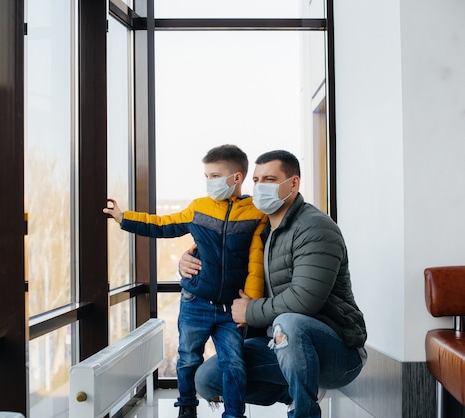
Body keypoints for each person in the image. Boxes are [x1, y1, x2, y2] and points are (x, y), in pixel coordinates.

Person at [179, 150, 367, 418]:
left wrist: (250, 311)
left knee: (289, 323)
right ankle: (293, 392)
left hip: (336, 350)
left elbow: (305, 300)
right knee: (207, 379)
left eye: (269, 179)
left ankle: (304, 411)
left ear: (293, 183)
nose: (259, 187)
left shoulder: (315, 228)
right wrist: (187, 264)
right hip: (276, 343)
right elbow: (220, 264)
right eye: (256, 180)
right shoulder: (257, 229)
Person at [103, 144, 267, 418]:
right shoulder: (198, 208)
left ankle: (235, 414)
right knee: (188, 359)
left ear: (237, 178)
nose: (209, 182)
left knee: (235, 364)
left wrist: (248, 303)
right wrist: (124, 218)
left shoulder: (255, 213)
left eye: (214, 176)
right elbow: (162, 225)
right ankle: (187, 409)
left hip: (231, 310)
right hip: (196, 303)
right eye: (206, 176)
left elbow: (256, 263)